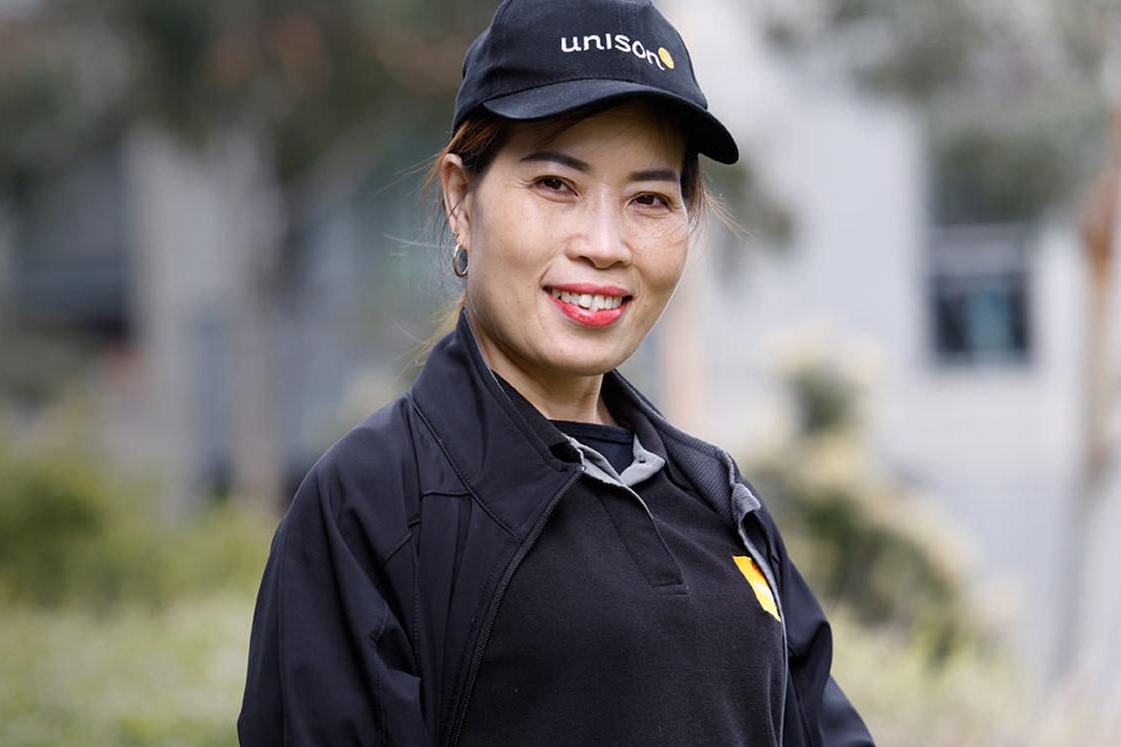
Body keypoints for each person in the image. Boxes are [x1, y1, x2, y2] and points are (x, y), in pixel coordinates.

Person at [237, 0, 875, 744]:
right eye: (555, 184)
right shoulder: (373, 508)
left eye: (649, 199)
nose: (604, 244)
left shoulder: (719, 499)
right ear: (461, 201)